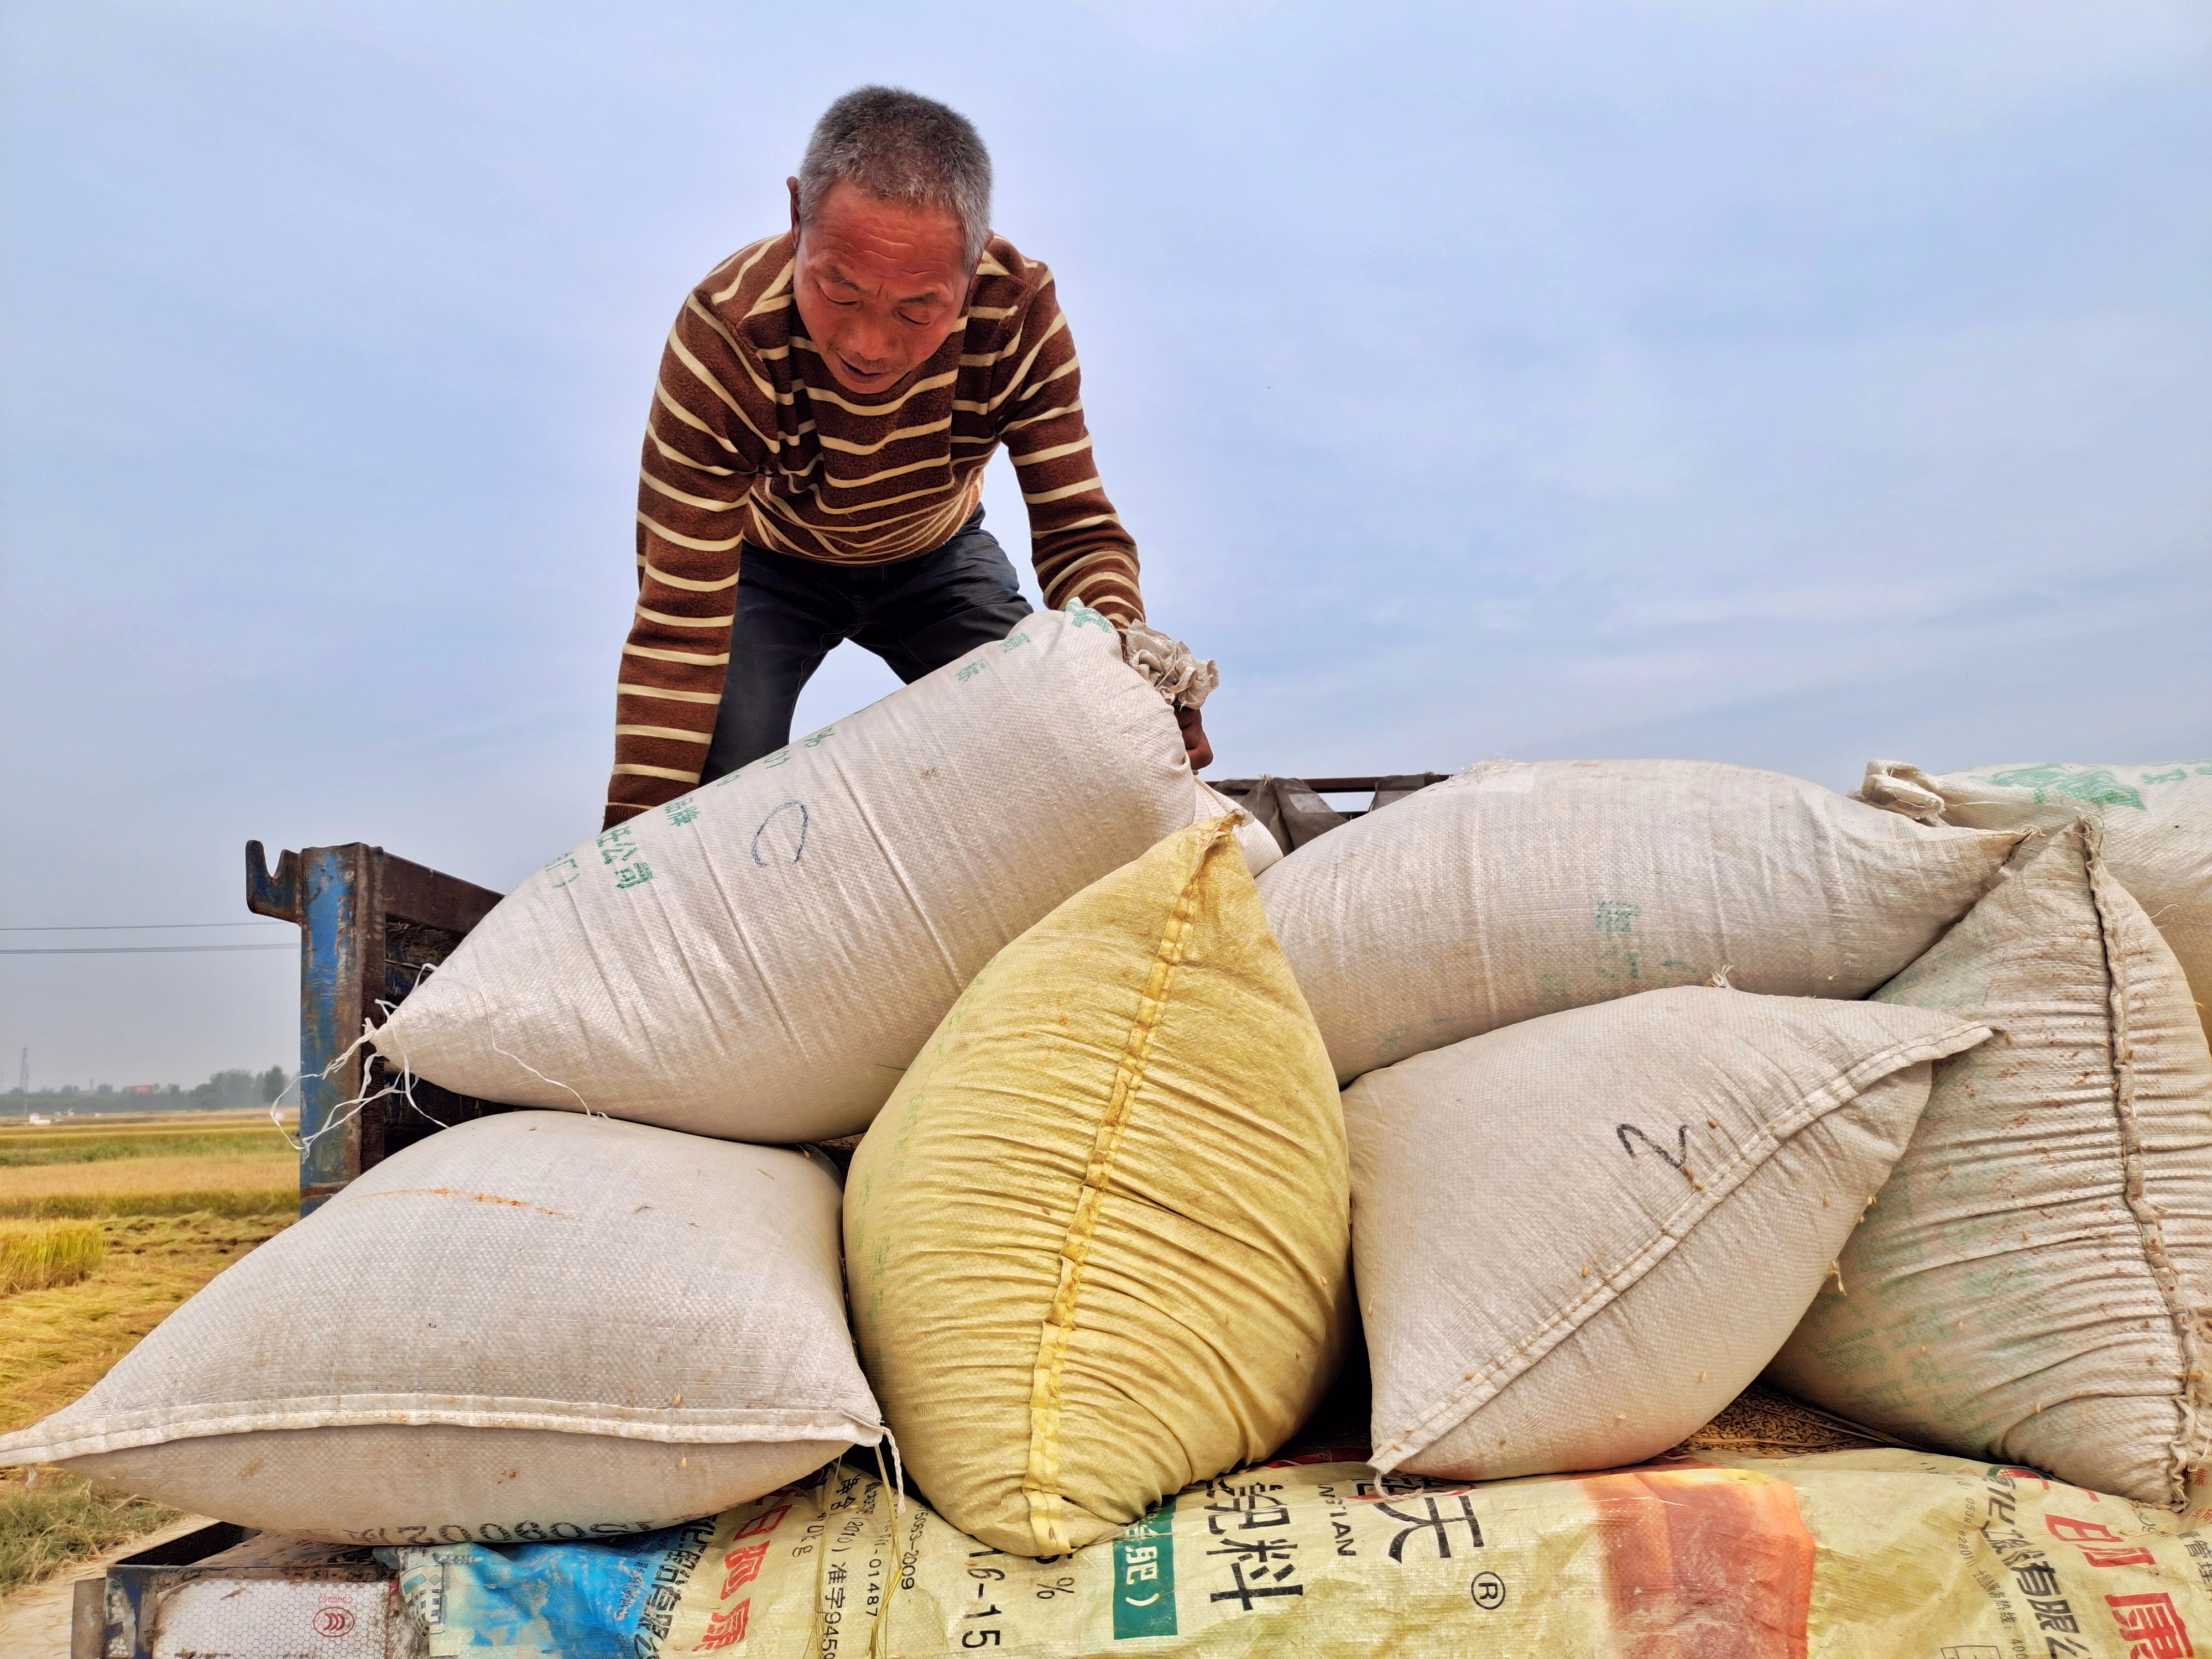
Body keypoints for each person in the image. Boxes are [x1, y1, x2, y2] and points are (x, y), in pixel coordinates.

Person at [601, 86, 1209, 829]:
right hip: (769, 565)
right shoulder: (727, 334)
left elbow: (1076, 529)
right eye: (839, 290)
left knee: (1061, 737)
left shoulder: (1017, 313)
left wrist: (1139, 687)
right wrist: (632, 851)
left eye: (917, 309)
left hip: (938, 555)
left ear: (975, 261)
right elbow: (678, 618)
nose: (868, 344)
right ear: (797, 217)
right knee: (715, 786)